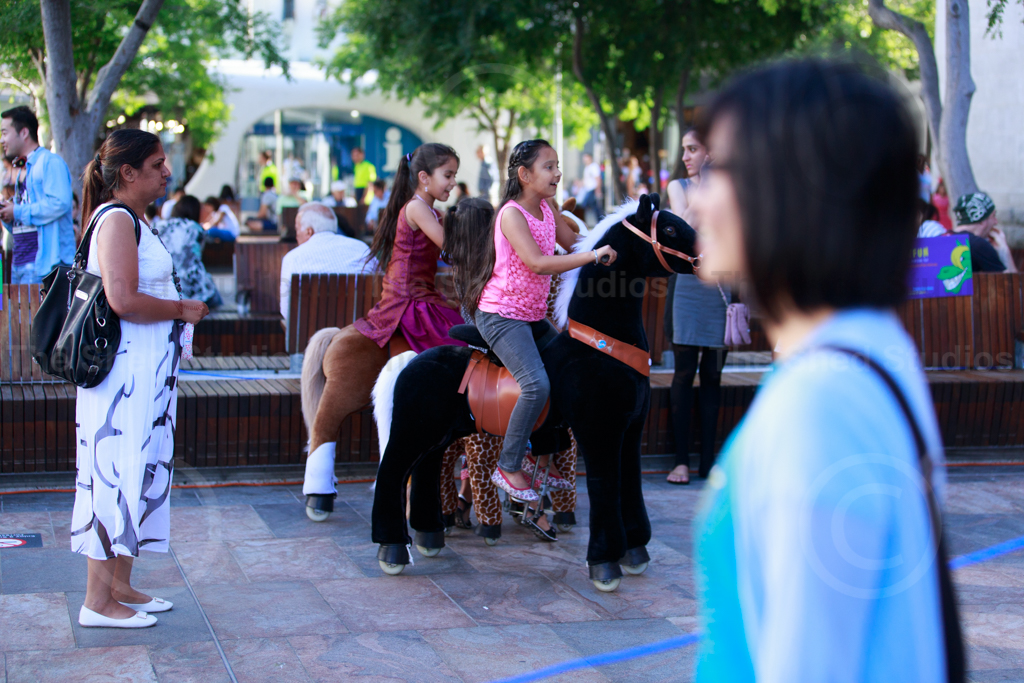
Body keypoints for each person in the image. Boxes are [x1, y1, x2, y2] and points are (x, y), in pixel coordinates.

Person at [691, 59, 960, 680]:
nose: (697, 197)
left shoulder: (818, 405)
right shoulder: (871, 350)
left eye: (718, 168)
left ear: (788, 185)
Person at [73, 128, 209, 629]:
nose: (167, 172)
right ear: (128, 173)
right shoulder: (115, 220)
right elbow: (123, 299)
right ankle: (97, 601)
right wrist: (181, 309)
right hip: (123, 377)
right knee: (116, 474)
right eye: (157, 165)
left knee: (140, 472)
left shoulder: (135, 219)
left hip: (145, 374)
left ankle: (120, 586)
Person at [465, 139, 616, 507]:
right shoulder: (512, 214)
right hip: (501, 316)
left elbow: (575, 242)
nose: (558, 173)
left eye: (557, 165)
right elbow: (537, 262)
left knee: (567, 373)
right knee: (535, 385)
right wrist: (593, 256)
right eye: (549, 166)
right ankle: (508, 465)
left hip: (532, 316)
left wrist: (615, 239)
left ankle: (538, 455)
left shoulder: (547, 207)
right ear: (525, 174)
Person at [353, 143, 467, 353]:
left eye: (454, 176)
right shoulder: (416, 208)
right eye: (448, 175)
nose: (453, 182)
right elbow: (451, 247)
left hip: (423, 294)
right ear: (424, 177)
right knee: (463, 344)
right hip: (409, 300)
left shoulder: (433, 212)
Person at [664, 128, 728, 485]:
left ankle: (708, 462)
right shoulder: (679, 187)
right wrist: (705, 188)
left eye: (693, 149)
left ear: (710, 152)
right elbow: (684, 230)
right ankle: (680, 462)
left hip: (721, 287)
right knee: (684, 373)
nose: (685, 156)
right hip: (687, 287)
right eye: (684, 150)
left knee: (713, 376)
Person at [0, 106, 75, 282]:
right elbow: (24, 222)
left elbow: (60, 203)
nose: (2, 140)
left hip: (45, 268)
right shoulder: (23, 168)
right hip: (20, 265)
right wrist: (8, 215)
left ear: (24, 133)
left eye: (4, 133)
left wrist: (17, 211)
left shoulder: (50, 162)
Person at [279, 202, 376, 326]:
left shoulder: (293, 258)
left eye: (297, 230)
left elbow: (287, 311)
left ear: (309, 232)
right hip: (358, 332)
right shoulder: (362, 249)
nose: (296, 236)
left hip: (312, 335)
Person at [157, 195, 222, 308]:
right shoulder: (195, 228)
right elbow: (195, 259)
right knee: (215, 298)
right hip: (190, 287)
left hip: (163, 285)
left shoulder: (159, 225)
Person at [952, 191, 1018, 273]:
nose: (996, 222)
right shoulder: (979, 245)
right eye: (993, 216)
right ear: (982, 221)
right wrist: (1004, 251)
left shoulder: (941, 237)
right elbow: (1009, 280)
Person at [579, 152, 602, 220]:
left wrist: (598, 190)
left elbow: (598, 178)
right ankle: (600, 219)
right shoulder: (587, 168)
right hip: (587, 189)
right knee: (594, 207)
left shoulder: (594, 166)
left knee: (585, 205)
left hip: (592, 189)